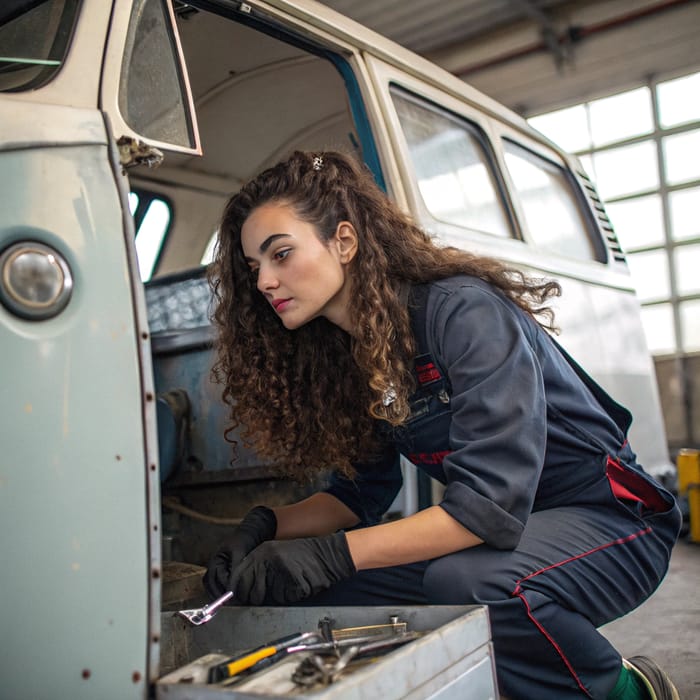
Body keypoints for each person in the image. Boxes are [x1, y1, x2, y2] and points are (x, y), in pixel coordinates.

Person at [203, 150, 681, 700]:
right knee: (318, 589)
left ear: (344, 241)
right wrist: (264, 528)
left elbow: (487, 506)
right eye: (253, 267)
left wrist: (331, 551)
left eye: (280, 254)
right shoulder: (350, 354)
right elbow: (361, 494)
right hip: (507, 534)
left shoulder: (462, 311)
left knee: (470, 585)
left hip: (613, 520)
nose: (265, 280)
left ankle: (629, 690)